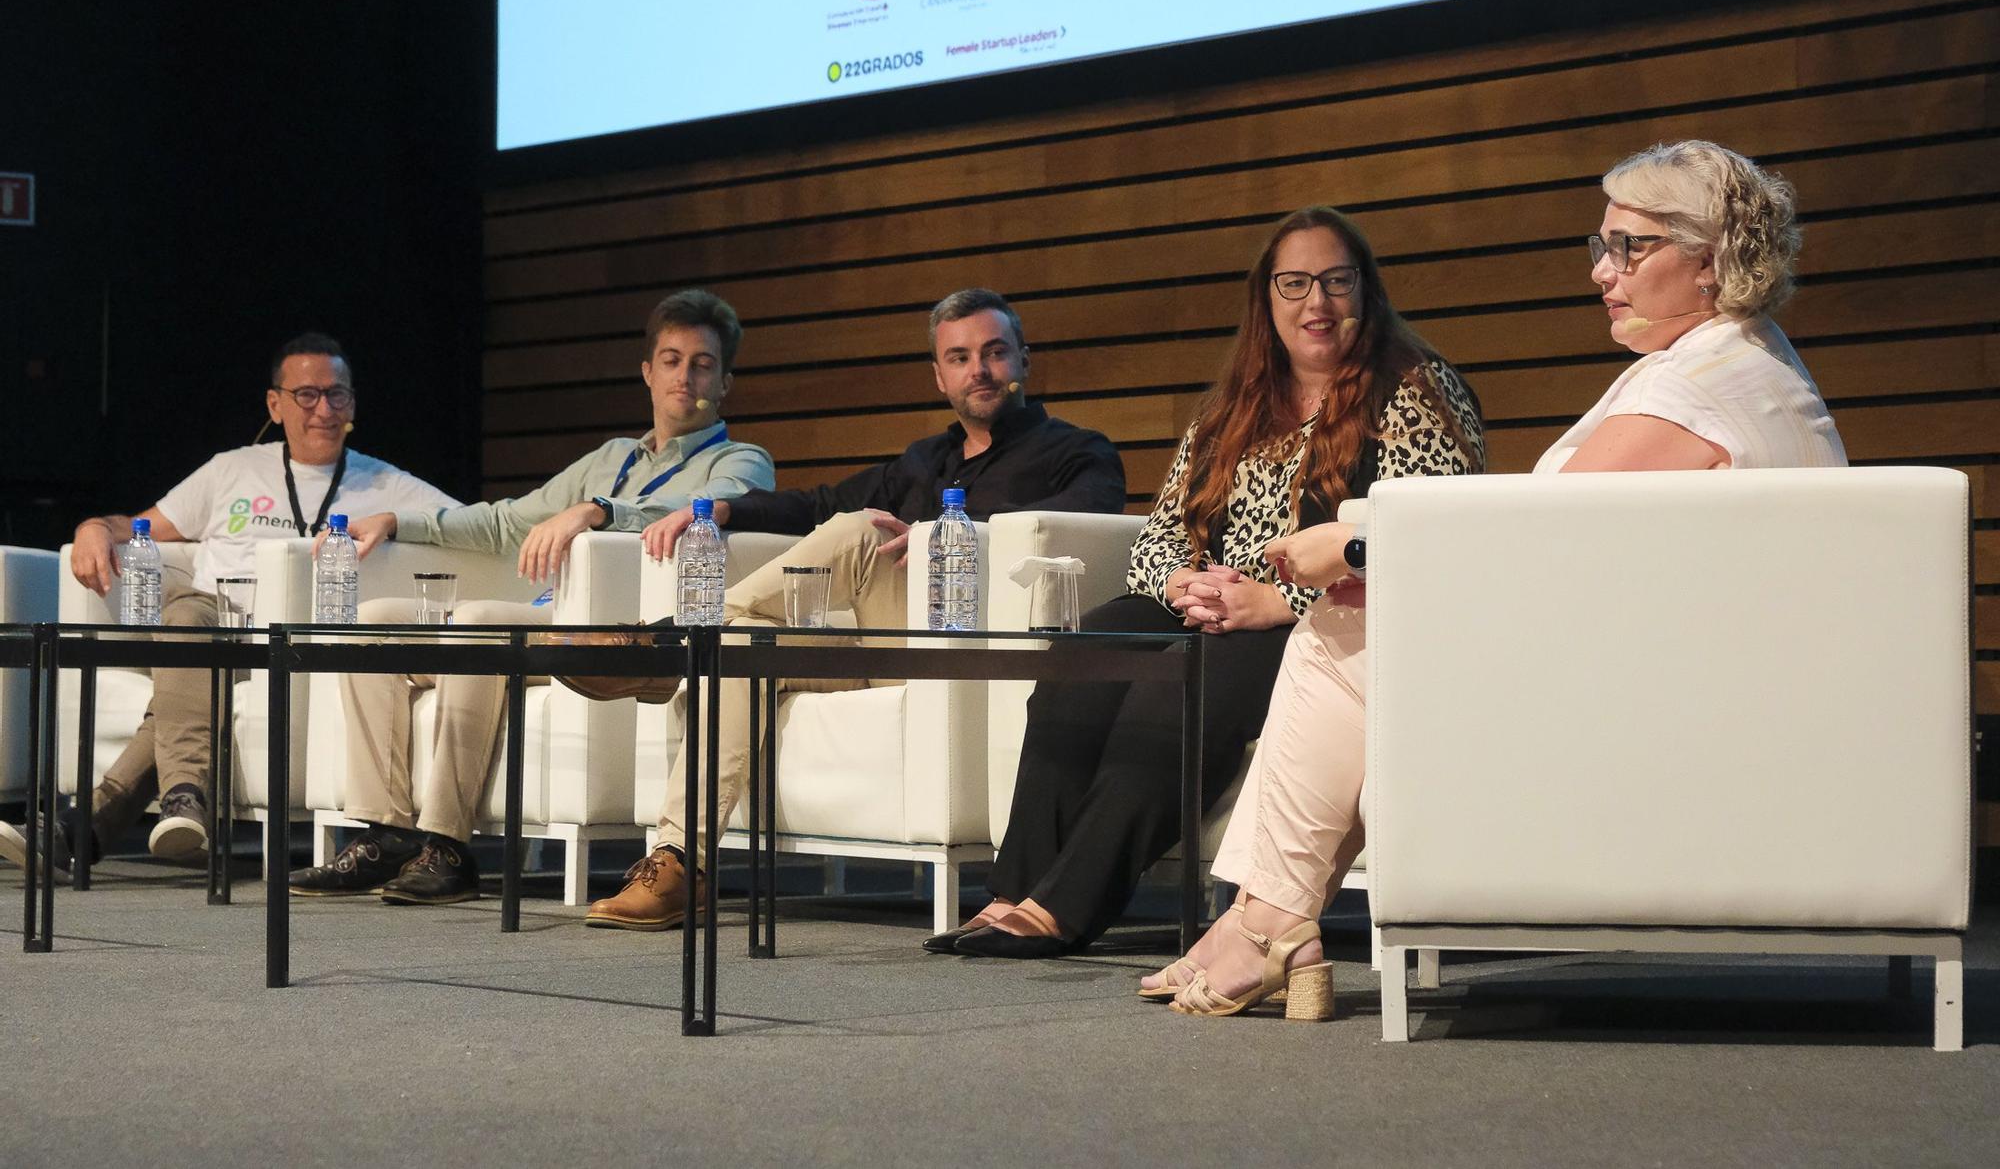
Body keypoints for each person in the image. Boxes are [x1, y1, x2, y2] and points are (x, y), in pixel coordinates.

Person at [1156, 139, 1845, 1018]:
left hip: (1676, 697)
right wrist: (1361, 543)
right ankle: (1265, 923)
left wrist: (1356, 550)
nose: (1604, 271)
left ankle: (1266, 922)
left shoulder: (1694, 393)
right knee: (1349, 625)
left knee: (1339, 631)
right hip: (1682, 667)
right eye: (1600, 247)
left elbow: (1524, 543)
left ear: (1709, 258)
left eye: (1628, 248)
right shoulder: (1735, 360)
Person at [936, 207, 1486, 959]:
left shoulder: (1416, 390)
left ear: (1366, 291)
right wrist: (1183, 584)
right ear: (1267, 299)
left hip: (1329, 622)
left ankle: (1066, 907)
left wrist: (1277, 600)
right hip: (1216, 605)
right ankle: (1014, 887)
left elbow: (1424, 541)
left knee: (1174, 684)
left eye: (1335, 282)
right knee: (1082, 654)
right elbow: (1161, 530)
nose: (1316, 304)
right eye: (1295, 284)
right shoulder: (1236, 401)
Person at [567, 287, 1127, 930]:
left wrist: (956, 531)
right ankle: (680, 861)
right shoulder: (926, 460)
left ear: (1023, 360)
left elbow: (1084, 521)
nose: (980, 369)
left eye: (995, 352)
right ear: (939, 374)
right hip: (886, 650)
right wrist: (726, 510)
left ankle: (673, 644)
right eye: (961, 356)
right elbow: (815, 503)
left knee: (861, 530)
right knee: (743, 646)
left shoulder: (1077, 451)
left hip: (967, 652)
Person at [288, 289, 775, 905]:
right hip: (546, 615)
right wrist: (398, 521)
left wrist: (597, 512)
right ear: (648, 372)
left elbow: (704, 511)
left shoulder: (742, 460)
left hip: (613, 635)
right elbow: (507, 521)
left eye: (702, 364)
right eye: (672, 360)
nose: (685, 376)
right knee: (376, 622)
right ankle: (388, 834)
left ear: (725, 381)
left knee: (483, 621)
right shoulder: (612, 457)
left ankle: (449, 846)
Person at [0, 334, 457, 881]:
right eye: (307, 395)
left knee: (189, 672)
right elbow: (138, 525)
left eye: (337, 395)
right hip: (206, 622)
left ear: (353, 404)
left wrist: (395, 521)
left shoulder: (386, 482)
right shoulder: (232, 470)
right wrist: (92, 527)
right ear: (276, 404)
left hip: (289, 645)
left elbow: (467, 524)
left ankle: (87, 825)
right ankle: (184, 797)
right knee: (191, 617)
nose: (324, 410)